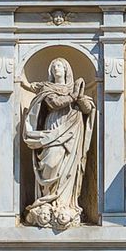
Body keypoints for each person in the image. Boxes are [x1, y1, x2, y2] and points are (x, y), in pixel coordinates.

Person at [22, 55, 95, 230]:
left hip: (72, 133)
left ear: (66, 70)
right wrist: (73, 95)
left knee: (69, 169)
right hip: (53, 128)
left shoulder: (74, 90)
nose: (56, 68)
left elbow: (87, 109)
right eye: (53, 66)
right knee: (50, 163)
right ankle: (46, 200)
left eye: (60, 66)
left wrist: (81, 97)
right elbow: (54, 103)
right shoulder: (47, 89)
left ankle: (65, 203)